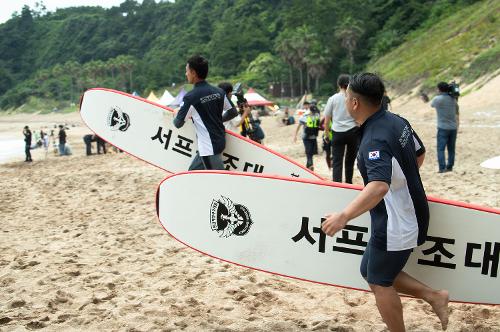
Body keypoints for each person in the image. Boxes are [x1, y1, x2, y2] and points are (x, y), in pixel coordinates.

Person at [322, 73, 449, 332]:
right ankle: (434, 296)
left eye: (347, 98)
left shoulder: (374, 140)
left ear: (355, 103)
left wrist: (343, 216)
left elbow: (379, 186)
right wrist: (402, 182)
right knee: (369, 270)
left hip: (397, 221)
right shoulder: (396, 120)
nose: (346, 102)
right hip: (401, 213)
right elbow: (419, 154)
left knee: (380, 281)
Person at [173, 55, 237, 170]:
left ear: (193, 73)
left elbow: (178, 123)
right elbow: (233, 112)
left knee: (218, 181)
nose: (185, 74)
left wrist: (176, 113)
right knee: (192, 173)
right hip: (219, 140)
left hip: (208, 148)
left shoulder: (190, 97)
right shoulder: (219, 92)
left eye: (186, 71)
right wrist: (218, 119)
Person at [323, 74, 360, 183]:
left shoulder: (333, 99)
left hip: (337, 132)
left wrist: (326, 134)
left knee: (337, 161)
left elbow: (327, 119)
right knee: (350, 160)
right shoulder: (354, 98)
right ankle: (348, 182)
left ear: (338, 85)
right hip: (353, 131)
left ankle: (337, 184)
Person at [430, 82, 459, 173]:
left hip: (442, 127)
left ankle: (442, 168)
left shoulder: (437, 99)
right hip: (453, 127)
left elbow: (431, 104)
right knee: (451, 149)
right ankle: (450, 167)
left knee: (441, 148)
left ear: (439, 89)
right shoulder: (453, 99)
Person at [293, 101, 320, 171]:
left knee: (311, 153)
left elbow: (318, 125)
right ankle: (311, 166)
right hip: (306, 138)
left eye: (315, 111)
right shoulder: (304, 116)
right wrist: (295, 135)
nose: (314, 113)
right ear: (310, 110)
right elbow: (298, 126)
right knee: (309, 152)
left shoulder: (316, 115)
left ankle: (308, 167)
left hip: (314, 137)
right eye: (313, 111)